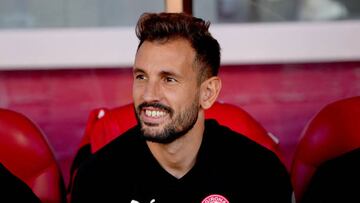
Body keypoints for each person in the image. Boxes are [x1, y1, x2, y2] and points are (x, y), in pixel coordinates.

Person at [70, 12, 293, 203]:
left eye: (169, 79)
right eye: (141, 76)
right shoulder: (98, 179)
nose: (148, 94)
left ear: (207, 93)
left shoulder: (259, 174)